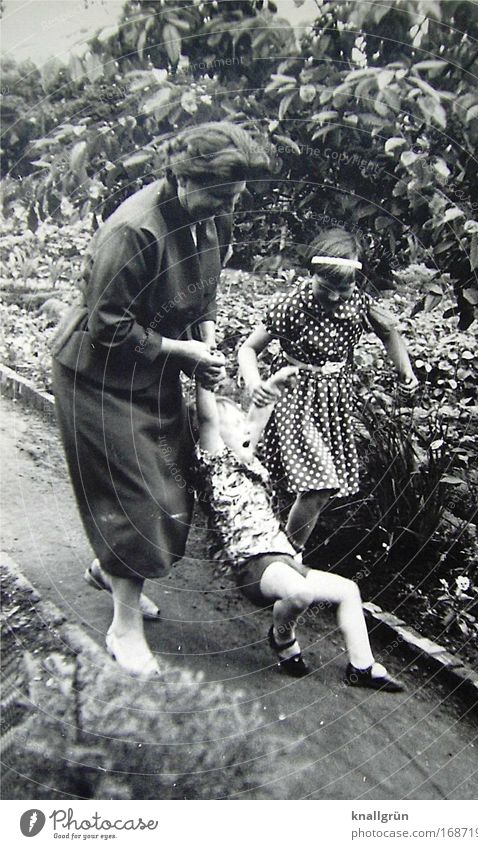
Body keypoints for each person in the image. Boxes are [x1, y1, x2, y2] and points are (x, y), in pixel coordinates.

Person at [51, 122, 271, 678]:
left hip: (153, 367)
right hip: (98, 374)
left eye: (237, 196)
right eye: (221, 194)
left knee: (171, 483)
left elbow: (204, 291)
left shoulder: (211, 216)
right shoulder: (134, 230)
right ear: (182, 176)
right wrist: (184, 350)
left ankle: (112, 571)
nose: (229, 205)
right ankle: (123, 627)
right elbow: (108, 327)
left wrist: (207, 336)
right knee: (138, 495)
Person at [194, 372, 404, 690]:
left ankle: (362, 666)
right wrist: (202, 374)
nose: (245, 430)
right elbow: (209, 418)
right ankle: (283, 636)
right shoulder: (215, 467)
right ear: (216, 439)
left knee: (348, 591)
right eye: (235, 426)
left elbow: (257, 418)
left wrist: (277, 380)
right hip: (253, 566)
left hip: (283, 562)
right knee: (301, 593)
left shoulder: (247, 462)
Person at [238, 227, 418, 555]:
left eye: (344, 288)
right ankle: (288, 556)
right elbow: (248, 349)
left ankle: (270, 543)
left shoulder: (360, 305)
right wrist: (254, 383)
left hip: (333, 401)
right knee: (319, 485)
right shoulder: (292, 304)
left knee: (307, 485)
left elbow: (389, 332)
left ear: (356, 282)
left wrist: (405, 370)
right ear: (312, 273)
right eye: (326, 286)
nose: (335, 297)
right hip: (294, 395)